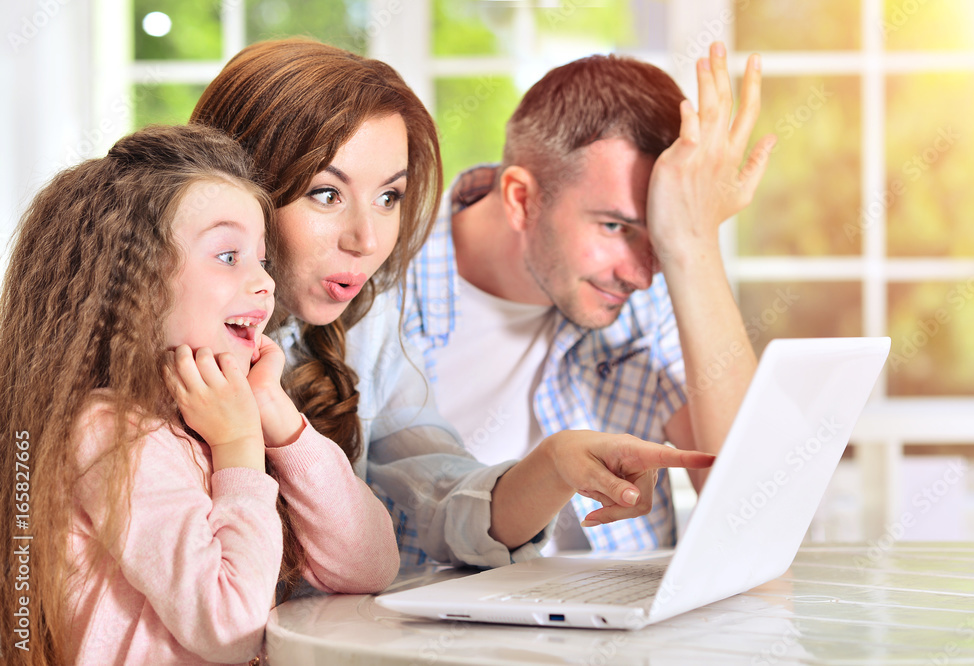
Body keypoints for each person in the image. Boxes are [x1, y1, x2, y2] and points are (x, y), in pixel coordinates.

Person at [191, 38, 715, 568]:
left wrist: (556, 465)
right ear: (239, 186)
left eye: (388, 197)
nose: (367, 240)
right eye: (327, 194)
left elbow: (436, 494)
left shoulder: (369, 327)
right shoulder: (158, 344)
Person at [0, 124, 398, 666]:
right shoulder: (109, 432)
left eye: (261, 259)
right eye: (228, 256)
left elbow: (368, 565)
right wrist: (239, 446)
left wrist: (278, 421)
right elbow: (231, 629)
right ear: (130, 285)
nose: (265, 284)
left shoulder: (208, 419)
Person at [403, 43, 777, 552]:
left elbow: (752, 506)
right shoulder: (376, 297)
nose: (642, 276)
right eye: (616, 226)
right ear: (521, 199)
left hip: (622, 627)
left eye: (660, 236)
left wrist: (693, 245)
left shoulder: (654, 293)